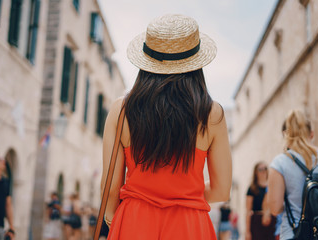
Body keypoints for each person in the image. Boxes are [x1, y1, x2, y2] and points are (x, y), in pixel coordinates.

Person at [101, 14, 232, 239]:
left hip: (134, 221)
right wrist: (183, 194)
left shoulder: (120, 110)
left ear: (147, 61)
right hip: (189, 225)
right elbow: (221, 190)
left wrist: (115, 218)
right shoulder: (212, 114)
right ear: (196, 62)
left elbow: (111, 189)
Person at [268, 110, 318, 240]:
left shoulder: (280, 162)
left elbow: (275, 208)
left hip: (293, 233)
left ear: (285, 135)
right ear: (311, 133)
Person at [245, 162, 275, 240]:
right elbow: (248, 211)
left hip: (270, 220)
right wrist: (247, 231)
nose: (263, 171)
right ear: (256, 172)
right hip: (256, 221)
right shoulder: (252, 188)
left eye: (265, 168)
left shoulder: (272, 186)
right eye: (260, 169)